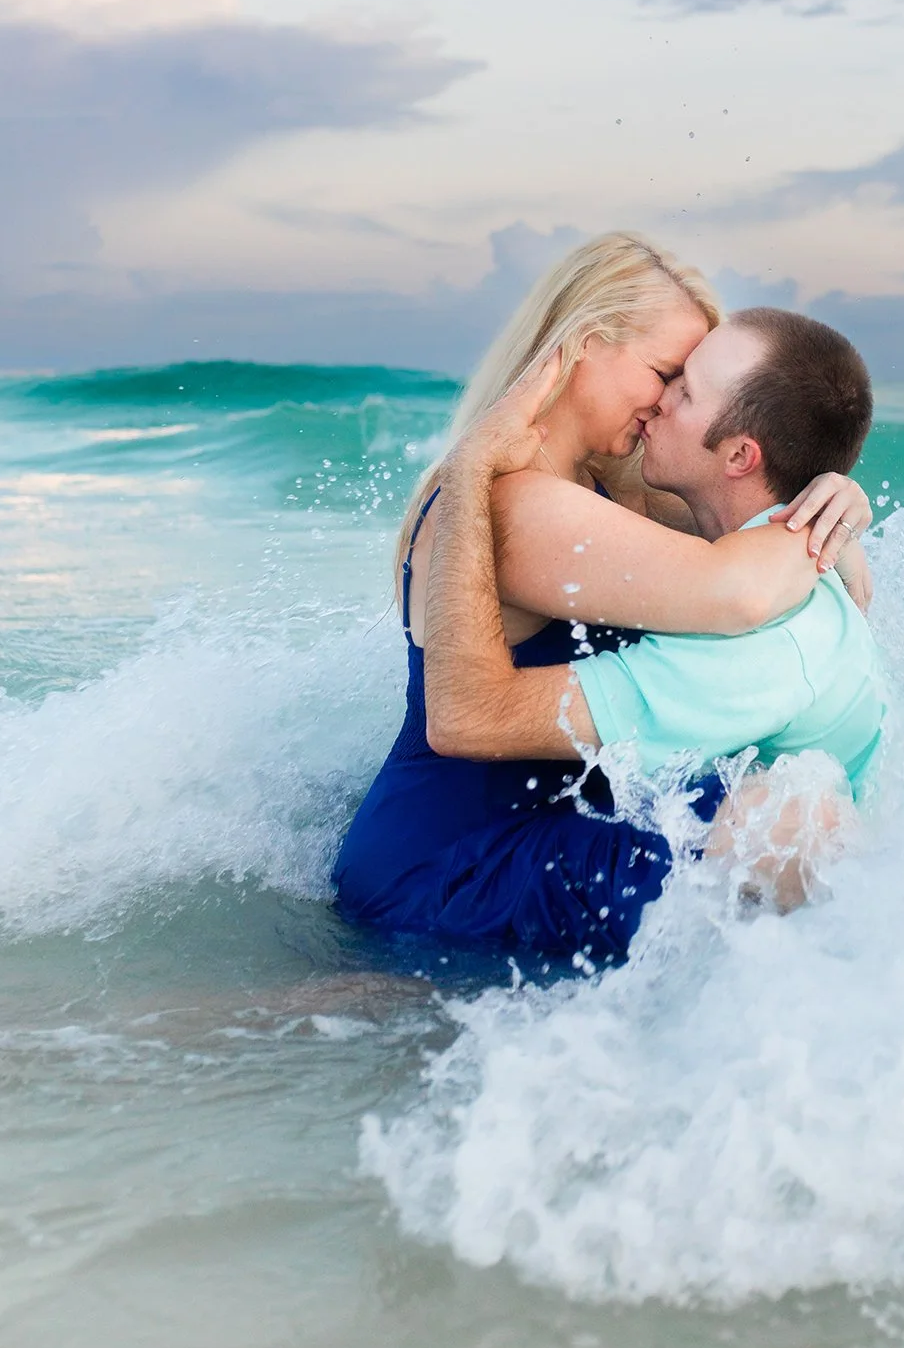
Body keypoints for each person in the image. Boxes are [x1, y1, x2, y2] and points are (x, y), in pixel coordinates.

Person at [333, 232, 875, 962]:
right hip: (450, 863)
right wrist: (819, 526)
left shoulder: (600, 489)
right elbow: (739, 586)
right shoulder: (521, 507)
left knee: (791, 812)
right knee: (795, 828)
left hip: (548, 822)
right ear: (583, 346)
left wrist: (831, 495)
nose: (665, 405)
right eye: (665, 374)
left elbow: (741, 521)